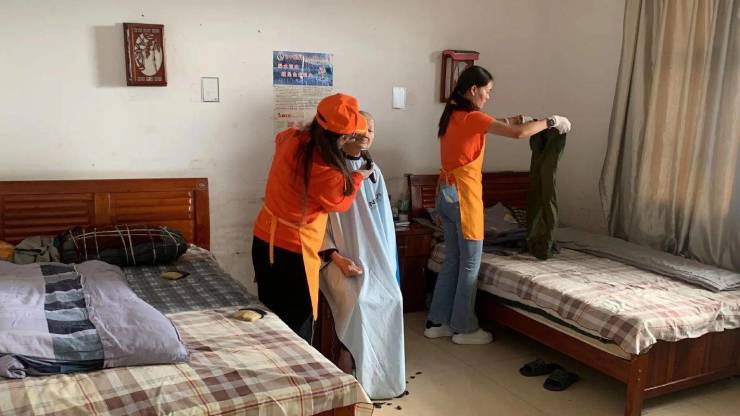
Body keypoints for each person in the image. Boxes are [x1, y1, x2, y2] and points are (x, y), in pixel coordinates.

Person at [425, 65, 571, 344]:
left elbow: (492, 125)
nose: (489, 96)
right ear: (474, 90)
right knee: (470, 264)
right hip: (463, 197)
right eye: (488, 91)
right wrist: (551, 121)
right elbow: (518, 134)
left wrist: (514, 119)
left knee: (452, 260)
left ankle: (437, 322)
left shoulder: (453, 115)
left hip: (445, 194)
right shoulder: (472, 117)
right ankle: (464, 328)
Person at [252, 93, 372, 342]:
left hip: (263, 240)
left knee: (271, 320)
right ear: (342, 138)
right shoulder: (324, 170)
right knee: (297, 327)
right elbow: (341, 201)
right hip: (293, 253)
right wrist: (359, 176)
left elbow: (282, 139)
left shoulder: (291, 138)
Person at [319, 111, 405, 399]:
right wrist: (338, 258)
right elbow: (320, 225)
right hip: (335, 258)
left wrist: (386, 262)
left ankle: (383, 377)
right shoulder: (332, 170)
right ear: (348, 132)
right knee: (360, 302)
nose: (367, 133)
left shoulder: (374, 171)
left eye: (372, 129)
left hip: (373, 258)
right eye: (362, 128)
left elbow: (383, 223)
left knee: (392, 299)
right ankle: (347, 363)